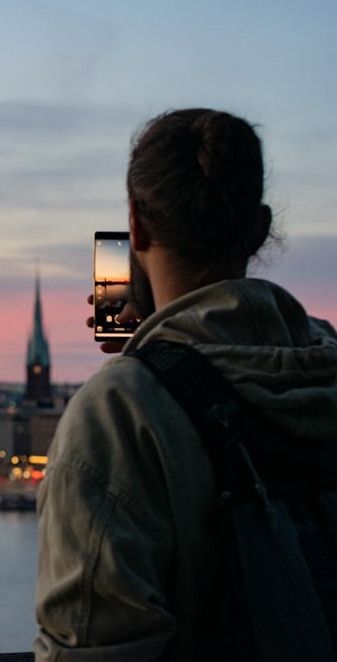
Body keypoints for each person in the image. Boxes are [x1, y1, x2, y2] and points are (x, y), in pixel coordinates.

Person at [33, 108, 337, 661]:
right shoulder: (326, 362)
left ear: (137, 226)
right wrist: (158, 355)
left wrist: (147, 376)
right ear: (261, 226)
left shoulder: (119, 413)